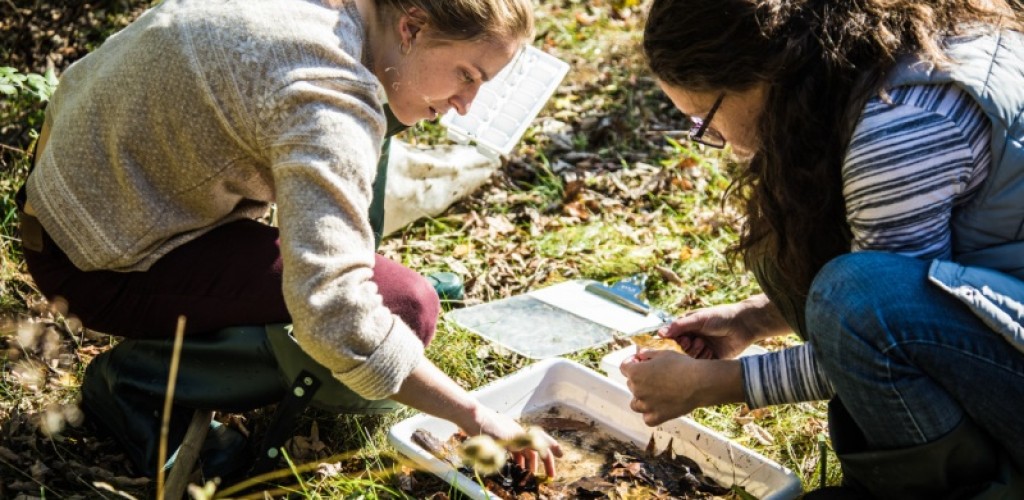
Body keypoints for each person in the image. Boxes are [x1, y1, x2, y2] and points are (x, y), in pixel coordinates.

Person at [16, 0, 560, 481]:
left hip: (78, 193)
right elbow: (337, 316)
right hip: (92, 259)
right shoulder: (328, 93)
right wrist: (473, 414)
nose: (466, 102)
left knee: (380, 287)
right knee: (403, 308)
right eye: (466, 74)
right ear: (412, 27)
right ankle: (137, 385)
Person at [620, 0, 1024, 497]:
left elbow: (874, 322)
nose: (715, 138)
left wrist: (716, 384)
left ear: (760, 72)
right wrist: (751, 320)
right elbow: (923, 296)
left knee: (849, 290)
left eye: (706, 117)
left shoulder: (900, 128)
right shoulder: (885, 58)